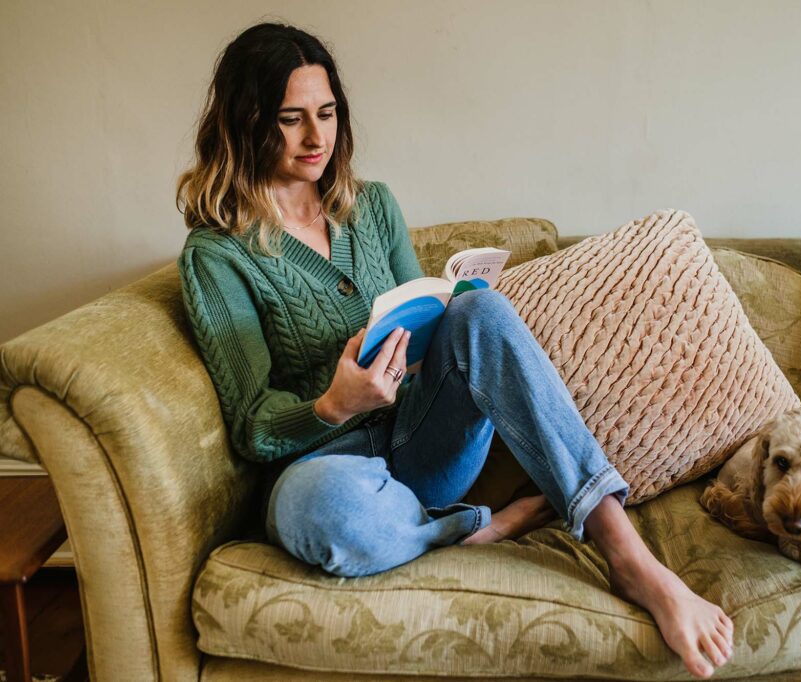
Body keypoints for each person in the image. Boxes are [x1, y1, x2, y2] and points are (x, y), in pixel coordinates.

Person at [176, 21, 733, 679]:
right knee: (323, 512)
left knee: (479, 308)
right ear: (246, 122)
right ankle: (474, 526)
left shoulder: (371, 208)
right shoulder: (216, 256)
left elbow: (431, 316)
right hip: (329, 473)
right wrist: (331, 404)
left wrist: (449, 313)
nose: (316, 138)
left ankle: (628, 557)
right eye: (290, 119)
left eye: (326, 114)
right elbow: (250, 426)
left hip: (423, 442)